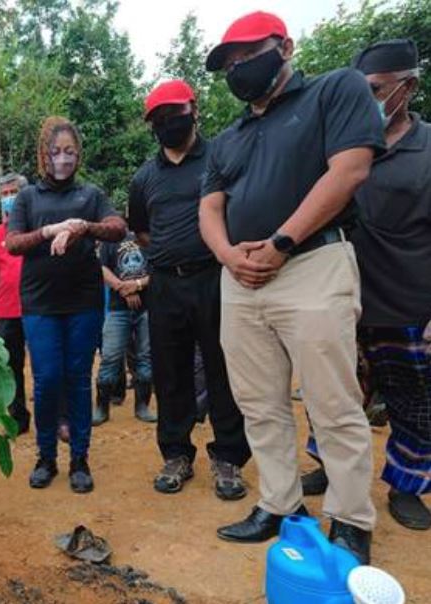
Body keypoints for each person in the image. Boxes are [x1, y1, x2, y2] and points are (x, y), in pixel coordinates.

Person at [199, 12, 384, 563]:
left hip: (311, 263)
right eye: (228, 64)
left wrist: (281, 242)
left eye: (246, 56)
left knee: (333, 400)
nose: (236, 69)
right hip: (240, 276)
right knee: (258, 402)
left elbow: (349, 169)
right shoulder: (228, 137)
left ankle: (351, 520)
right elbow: (210, 206)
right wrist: (229, 254)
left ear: (285, 46)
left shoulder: (334, 91)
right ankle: (279, 504)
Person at [127, 79, 250, 500]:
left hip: (215, 278)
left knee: (223, 368)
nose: (167, 124)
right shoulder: (144, 177)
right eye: (158, 120)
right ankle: (176, 454)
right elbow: (142, 231)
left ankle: (229, 458)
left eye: (174, 114)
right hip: (164, 284)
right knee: (170, 372)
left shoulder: (222, 157)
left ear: (193, 109)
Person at [6, 116, 125, 493]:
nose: (62, 159)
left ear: (78, 155)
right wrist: (49, 231)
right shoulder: (27, 197)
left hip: (84, 301)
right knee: (46, 380)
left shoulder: (89, 196)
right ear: (44, 155)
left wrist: (83, 226)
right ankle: (45, 456)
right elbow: (12, 243)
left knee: (77, 378)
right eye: (55, 152)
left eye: (69, 152)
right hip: (40, 302)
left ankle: (79, 458)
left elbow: (118, 227)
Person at [350, 39, 431, 531]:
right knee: (337, 397)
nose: (370, 102)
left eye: (376, 90)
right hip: (346, 300)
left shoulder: (427, 151)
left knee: (415, 403)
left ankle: (405, 486)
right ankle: (331, 470)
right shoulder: (346, 148)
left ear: (409, 86)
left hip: (409, 304)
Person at [0, 172, 31, 434]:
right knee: (10, 366)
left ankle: (57, 415)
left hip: (37, 307)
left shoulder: (35, 228)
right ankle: (19, 416)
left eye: (12, 193)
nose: (8, 199)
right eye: (3, 195)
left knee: (44, 364)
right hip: (6, 310)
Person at [93, 230, 155, 425]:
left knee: (145, 357)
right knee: (110, 356)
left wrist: (136, 285)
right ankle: (101, 407)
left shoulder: (150, 237)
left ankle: (142, 406)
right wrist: (122, 287)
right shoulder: (111, 239)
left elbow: (160, 269)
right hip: (117, 309)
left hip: (148, 307)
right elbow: (101, 268)